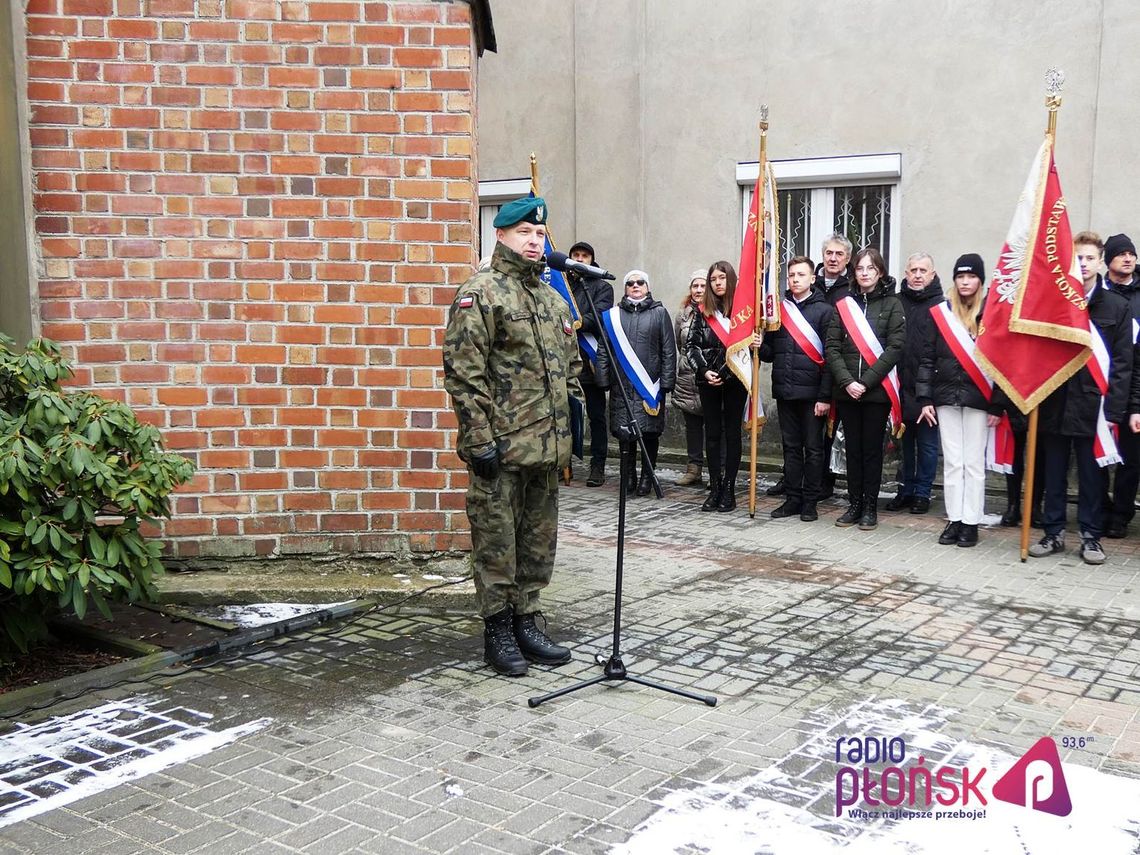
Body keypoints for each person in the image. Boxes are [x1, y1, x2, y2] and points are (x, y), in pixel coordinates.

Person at [442, 195, 583, 677]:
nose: (534, 240)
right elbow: (464, 373)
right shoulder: (480, 293)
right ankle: (498, 628)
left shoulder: (551, 299)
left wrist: (572, 424)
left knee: (538, 542)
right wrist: (478, 437)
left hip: (546, 450)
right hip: (501, 448)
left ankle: (528, 617)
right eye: (524, 232)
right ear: (500, 235)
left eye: (540, 233)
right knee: (497, 541)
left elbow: (571, 369)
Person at [1029, 232, 1133, 565]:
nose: (1084, 264)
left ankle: (1091, 537)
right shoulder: (1055, 303)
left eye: (1089, 258)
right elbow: (1039, 353)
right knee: (1054, 474)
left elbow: (1123, 364)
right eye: (1078, 258)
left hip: (1095, 407)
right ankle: (1053, 532)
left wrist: (1115, 409)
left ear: (1100, 261)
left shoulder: (1117, 306)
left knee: (1092, 478)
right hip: (1056, 403)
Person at [915, 254, 1003, 548]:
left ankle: (971, 521)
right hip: (945, 396)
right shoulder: (941, 312)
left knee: (974, 462)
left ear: (980, 279)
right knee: (953, 461)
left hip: (980, 397)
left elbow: (1003, 361)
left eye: (971, 276)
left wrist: (998, 403)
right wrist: (925, 397)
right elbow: (927, 356)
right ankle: (954, 518)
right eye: (961, 276)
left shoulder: (990, 312)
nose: (965, 282)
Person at [825, 247, 905, 530]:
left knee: (871, 451)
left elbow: (894, 347)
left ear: (879, 272)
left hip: (875, 392)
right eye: (860, 269)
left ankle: (870, 506)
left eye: (870, 268)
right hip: (847, 391)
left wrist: (866, 382)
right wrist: (847, 382)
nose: (865, 273)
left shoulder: (893, 305)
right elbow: (832, 347)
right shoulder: (844, 306)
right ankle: (854, 504)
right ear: (854, 273)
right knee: (852, 452)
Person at [759, 255, 834, 522]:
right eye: (791, 275)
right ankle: (792, 498)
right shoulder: (779, 311)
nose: (795, 279)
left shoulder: (825, 311)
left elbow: (831, 358)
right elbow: (769, 353)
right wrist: (759, 342)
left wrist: (825, 396)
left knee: (813, 449)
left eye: (801, 275)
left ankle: (810, 502)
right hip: (786, 391)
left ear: (813, 279)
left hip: (813, 395)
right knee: (790, 447)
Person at [595, 270, 676, 498]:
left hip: (649, 386)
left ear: (647, 287)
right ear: (625, 288)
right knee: (625, 434)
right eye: (630, 283)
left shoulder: (659, 313)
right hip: (621, 385)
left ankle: (646, 476)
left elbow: (668, 350)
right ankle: (627, 474)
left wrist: (667, 382)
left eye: (640, 282)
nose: (635, 286)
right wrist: (602, 378)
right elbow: (604, 349)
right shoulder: (613, 316)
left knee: (649, 434)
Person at [688, 261, 749, 512]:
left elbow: (742, 348)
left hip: (734, 381)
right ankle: (714, 487)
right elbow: (691, 346)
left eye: (722, 278)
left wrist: (724, 372)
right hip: (708, 380)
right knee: (712, 435)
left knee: (732, 434)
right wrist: (704, 370)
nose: (717, 283)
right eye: (713, 279)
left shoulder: (742, 313)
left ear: (731, 280)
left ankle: (729, 489)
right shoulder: (702, 312)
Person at [888, 253, 944, 515]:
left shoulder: (941, 306)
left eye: (923, 270)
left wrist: (929, 392)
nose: (918, 275)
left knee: (928, 445)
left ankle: (923, 492)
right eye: (913, 270)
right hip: (900, 384)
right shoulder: (896, 303)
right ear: (906, 274)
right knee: (905, 444)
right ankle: (906, 489)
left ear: (932, 275)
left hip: (929, 389)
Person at [566, 240, 615, 488]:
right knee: (565, 414)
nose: (580, 258)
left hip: (591, 362)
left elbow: (600, 316)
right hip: (566, 361)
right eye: (576, 254)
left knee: (597, 417)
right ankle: (565, 464)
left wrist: (576, 322)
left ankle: (598, 465)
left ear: (591, 259)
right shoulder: (562, 285)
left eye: (585, 255)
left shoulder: (602, 287)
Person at [1102, 233, 1140, 537]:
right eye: (1121, 254)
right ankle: (1099, 509)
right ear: (1109, 260)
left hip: (1136, 387)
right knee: (1099, 455)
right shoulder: (1099, 293)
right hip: (1104, 384)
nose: (1128, 258)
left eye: (1132, 253)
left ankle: (1121, 515)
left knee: (1131, 459)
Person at [815, 233, 855, 501]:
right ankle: (797, 477)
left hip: (838, 367)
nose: (833, 258)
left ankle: (826, 481)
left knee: (833, 430)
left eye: (839, 254)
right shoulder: (811, 284)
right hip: (808, 368)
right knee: (805, 431)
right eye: (829, 252)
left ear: (848, 259)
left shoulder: (851, 289)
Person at [673, 271, 707, 487]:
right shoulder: (682, 315)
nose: (699, 290)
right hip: (687, 377)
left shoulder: (717, 312)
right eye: (695, 286)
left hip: (709, 375)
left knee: (715, 427)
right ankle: (693, 469)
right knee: (692, 426)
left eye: (703, 286)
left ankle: (716, 470)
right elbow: (680, 344)